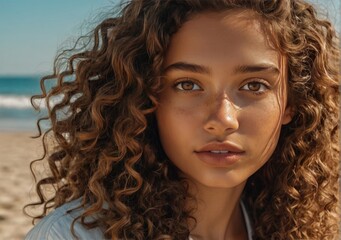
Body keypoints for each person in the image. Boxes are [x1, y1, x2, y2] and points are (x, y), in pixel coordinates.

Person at [24, 0, 340, 239]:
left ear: (291, 103)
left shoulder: (287, 226)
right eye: (187, 85)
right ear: (146, 98)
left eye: (254, 85)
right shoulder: (72, 235)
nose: (223, 119)